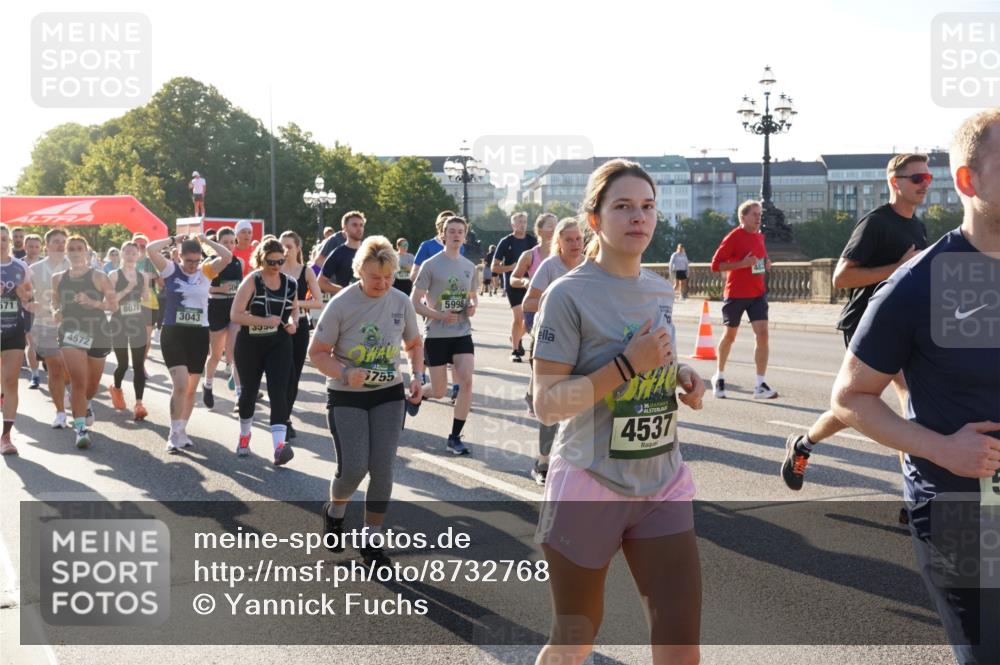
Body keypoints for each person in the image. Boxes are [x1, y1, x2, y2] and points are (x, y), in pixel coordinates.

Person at [831, 109, 1000, 665]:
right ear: (968, 182)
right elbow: (850, 398)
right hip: (963, 513)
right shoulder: (919, 282)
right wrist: (941, 447)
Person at [532, 159, 705, 664]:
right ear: (595, 219)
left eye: (647, 207)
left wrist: (681, 376)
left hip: (661, 479)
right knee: (575, 642)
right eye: (624, 206)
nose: (639, 217)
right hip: (590, 480)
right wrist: (629, 366)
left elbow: (658, 358)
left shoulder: (658, 289)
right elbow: (546, 404)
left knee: (681, 646)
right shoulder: (569, 295)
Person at [781, 154, 929, 491]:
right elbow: (841, 278)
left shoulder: (918, 227)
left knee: (857, 403)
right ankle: (915, 496)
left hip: (904, 327)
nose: (924, 184)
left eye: (928, 178)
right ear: (895, 182)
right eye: (916, 178)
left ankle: (803, 444)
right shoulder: (876, 223)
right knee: (910, 403)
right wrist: (897, 267)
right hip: (867, 325)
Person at [309, 235, 424, 567]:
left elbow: (414, 344)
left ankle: (372, 539)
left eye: (389, 276)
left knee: (383, 468)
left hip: (388, 393)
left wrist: (418, 377)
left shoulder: (400, 301)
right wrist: (345, 373)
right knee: (354, 468)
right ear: (360, 270)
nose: (383, 283)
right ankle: (335, 510)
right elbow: (316, 354)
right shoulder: (342, 304)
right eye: (375, 277)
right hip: (347, 396)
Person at [146, 233, 232, 452]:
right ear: (180, 256)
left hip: (198, 334)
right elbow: (150, 249)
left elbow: (227, 256)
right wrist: (173, 238)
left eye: (196, 260)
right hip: (174, 333)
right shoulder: (170, 270)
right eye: (188, 261)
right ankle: (173, 433)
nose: (193, 266)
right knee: (181, 385)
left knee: (192, 388)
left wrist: (205, 241)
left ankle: (182, 430)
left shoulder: (206, 272)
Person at [522, 216, 585, 484]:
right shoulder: (550, 266)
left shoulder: (589, 266)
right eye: (568, 239)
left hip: (580, 341)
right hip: (548, 341)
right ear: (558, 242)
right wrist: (557, 305)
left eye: (578, 239)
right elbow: (528, 302)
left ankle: (575, 462)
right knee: (551, 404)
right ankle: (542, 463)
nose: (574, 244)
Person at [411, 216, 478, 455]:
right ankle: (414, 395)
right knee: (439, 391)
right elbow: (414, 302)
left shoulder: (470, 267)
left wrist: (471, 307)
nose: (456, 235)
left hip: (462, 332)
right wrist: (438, 315)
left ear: (465, 235)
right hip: (437, 334)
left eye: (460, 231)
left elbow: (472, 299)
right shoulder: (430, 264)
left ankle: (455, 436)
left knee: (467, 379)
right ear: (444, 235)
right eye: (452, 231)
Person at [230, 236, 299, 465]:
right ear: (261, 260)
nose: (276, 266)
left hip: (279, 342)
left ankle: (279, 447)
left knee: (278, 391)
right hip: (250, 343)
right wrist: (263, 320)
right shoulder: (252, 280)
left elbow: (294, 310)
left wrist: (293, 323)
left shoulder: (290, 283)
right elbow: (235, 315)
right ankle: (244, 435)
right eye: (271, 262)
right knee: (249, 392)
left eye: (281, 261)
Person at [52, 235, 115, 449]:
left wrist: (92, 302)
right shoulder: (58, 278)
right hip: (70, 332)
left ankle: (87, 403)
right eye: (72, 248)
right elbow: (55, 303)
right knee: (78, 382)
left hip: (98, 332)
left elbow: (113, 306)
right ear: (67, 253)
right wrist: (56, 312)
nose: (76, 252)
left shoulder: (99, 276)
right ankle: (80, 429)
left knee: (91, 385)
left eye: (80, 248)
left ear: (87, 252)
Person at [709, 200, 777, 399]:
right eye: (754, 214)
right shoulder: (733, 238)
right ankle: (719, 376)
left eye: (759, 214)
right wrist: (742, 264)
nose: (758, 218)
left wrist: (766, 264)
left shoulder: (759, 237)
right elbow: (715, 265)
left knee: (763, 335)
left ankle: (760, 384)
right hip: (736, 294)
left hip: (757, 294)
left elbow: (758, 263)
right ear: (743, 217)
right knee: (730, 337)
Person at [511, 213, 558, 415]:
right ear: (539, 231)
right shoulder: (530, 255)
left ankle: (534, 393)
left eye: (557, 226)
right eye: (550, 226)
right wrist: (524, 282)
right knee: (544, 348)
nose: (554, 230)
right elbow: (513, 278)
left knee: (553, 352)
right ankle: (539, 395)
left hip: (557, 309)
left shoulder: (564, 254)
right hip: (534, 308)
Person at [280, 230, 323, 438]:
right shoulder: (275, 269)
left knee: (294, 375)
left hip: (300, 326)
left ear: (298, 248)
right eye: (282, 246)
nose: (285, 250)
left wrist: (295, 303)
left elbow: (318, 301)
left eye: (288, 246)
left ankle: (285, 417)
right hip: (278, 326)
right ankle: (280, 417)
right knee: (280, 373)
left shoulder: (305, 271)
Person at [29, 229, 71, 428]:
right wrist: (29, 303)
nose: (60, 244)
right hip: (45, 325)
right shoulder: (35, 269)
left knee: (71, 369)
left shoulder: (77, 266)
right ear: (47, 246)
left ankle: (76, 395)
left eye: (63, 241)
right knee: (55, 369)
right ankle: (60, 413)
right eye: (55, 241)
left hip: (75, 326)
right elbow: (24, 293)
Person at [107, 241, 151, 421]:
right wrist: (127, 288)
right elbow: (110, 301)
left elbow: (146, 297)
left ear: (139, 255)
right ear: (122, 254)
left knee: (139, 365)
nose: (131, 255)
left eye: (135, 252)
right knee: (123, 365)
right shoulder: (114, 275)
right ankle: (116, 389)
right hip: (119, 323)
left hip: (137, 322)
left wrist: (144, 286)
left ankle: (139, 404)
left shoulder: (142, 276)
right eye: (128, 252)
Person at [202, 227, 244, 409]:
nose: (229, 245)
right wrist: (220, 289)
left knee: (235, 352)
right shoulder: (211, 262)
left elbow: (240, 286)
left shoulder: (238, 262)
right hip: (216, 308)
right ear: (218, 243)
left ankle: (239, 395)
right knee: (216, 354)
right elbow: (204, 288)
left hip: (234, 308)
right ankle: (208, 384)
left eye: (231, 242)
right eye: (225, 242)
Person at [1, 224, 34, 455]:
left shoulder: (20, 266)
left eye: (4, 239)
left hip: (14, 329)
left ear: (10, 242)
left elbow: (29, 293)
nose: (1, 243)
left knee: (11, 381)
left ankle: (6, 436)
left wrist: (24, 294)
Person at [492, 212, 537, 362]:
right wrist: (511, 267)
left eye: (524, 221)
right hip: (513, 284)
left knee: (529, 319)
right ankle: (515, 351)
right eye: (519, 222)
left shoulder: (532, 241)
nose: (522, 224)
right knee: (519, 317)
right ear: (513, 225)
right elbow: (494, 267)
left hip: (530, 284)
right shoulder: (506, 242)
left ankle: (515, 337)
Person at [319, 211, 366, 296]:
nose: (359, 228)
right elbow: (321, 282)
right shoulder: (338, 253)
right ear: (345, 228)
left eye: (361, 225)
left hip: (369, 304)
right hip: (346, 304)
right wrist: (346, 290)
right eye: (354, 225)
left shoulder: (370, 252)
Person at [409, 210, 463, 285]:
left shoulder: (460, 246)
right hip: (431, 293)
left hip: (452, 293)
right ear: (439, 226)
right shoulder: (427, 245)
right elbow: (413, 276)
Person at [22, 233, 43, 389]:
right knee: (32, 342)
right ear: (25, 247)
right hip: (27, 308)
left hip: (46, 309)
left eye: (36, 246)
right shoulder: (19, 264)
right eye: (30, 246)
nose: (34, 249)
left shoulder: (46, 264)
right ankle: (35, 375)